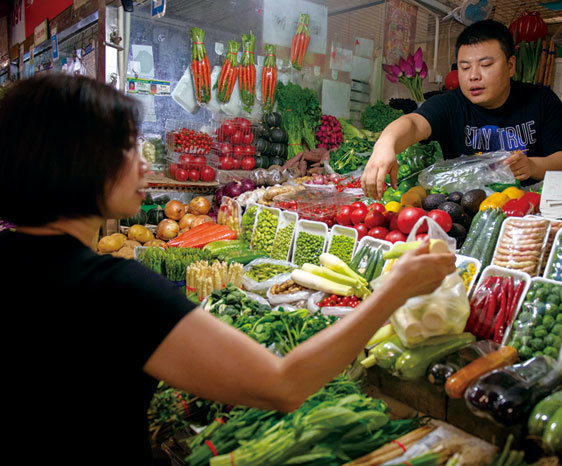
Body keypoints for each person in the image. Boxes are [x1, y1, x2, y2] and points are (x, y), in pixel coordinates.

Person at [0, 74, 456, 464]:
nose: (143, 163)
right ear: (73, 161)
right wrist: (391, 293)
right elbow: (283, 385)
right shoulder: (114, 290)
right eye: (125, 148)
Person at [362, 19, 562, 200]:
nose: (473, 76)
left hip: (529, 209)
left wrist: (532, 166)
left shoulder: (541, 100)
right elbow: (413, 123)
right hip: (464, 213)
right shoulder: (450, 104)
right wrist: (385, 145)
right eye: (464, 67)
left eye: (485, 65)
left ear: (510, 66)